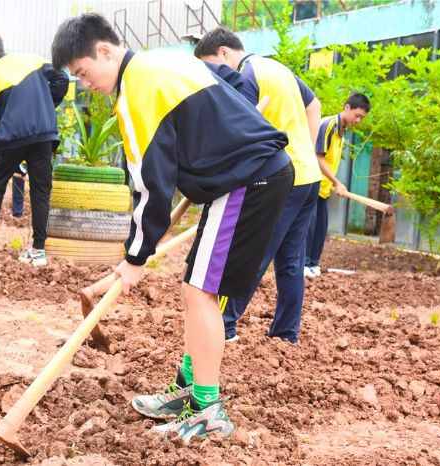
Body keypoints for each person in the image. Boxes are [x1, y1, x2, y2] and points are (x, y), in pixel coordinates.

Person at [51, 13, 294, 443]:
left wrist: (134, 258)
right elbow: (229, 80)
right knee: (199, 286)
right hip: (246, 175)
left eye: (84, 73)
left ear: (104, 51)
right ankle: (189, 389)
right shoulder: (163, 60)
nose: (86, 84)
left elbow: (150, 186)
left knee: (200, 291)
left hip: (248, 180)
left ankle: (208, 409)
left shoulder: (136, 90)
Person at [195, 27, 322, 345]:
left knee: (252, 252)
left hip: (281, 179)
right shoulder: (275, 67)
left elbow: (239, 129)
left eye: (212, 64)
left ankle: (224, 324)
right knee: (291, 260)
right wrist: (305, 146)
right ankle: (286, 332)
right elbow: (314, 105)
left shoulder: (247, 75)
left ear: (224, 52)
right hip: (307, 176)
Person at [0, 30, 69, 267]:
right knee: (41, 191)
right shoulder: (32, 59)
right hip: (44, 135)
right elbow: (62, 78)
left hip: (12, 138)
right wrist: (45, 103)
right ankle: (38, 251)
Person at [305, 92, 371, 278]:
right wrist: (337, 181)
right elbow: (317, 157)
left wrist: (333, 183)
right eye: (357, 115)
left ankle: (313, 264)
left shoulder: (343, 130)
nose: (358, 120)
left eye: (362, 118)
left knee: (320, 227)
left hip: (325, 188)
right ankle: (303, 264)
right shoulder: (329, 125)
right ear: (347, 107)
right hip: (313, 184)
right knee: (309, 227)